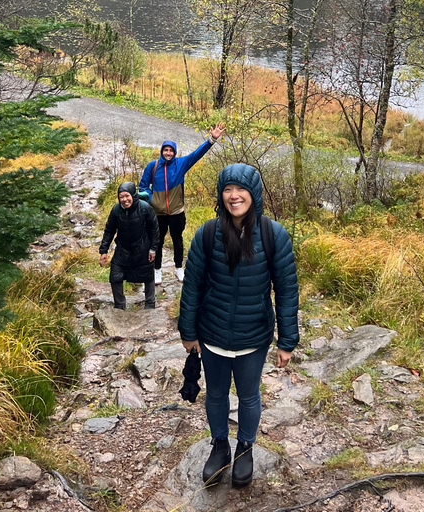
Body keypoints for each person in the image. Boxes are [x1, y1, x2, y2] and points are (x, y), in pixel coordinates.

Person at [178, 163, 299, 488]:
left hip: (253, 337)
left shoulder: (274, 235)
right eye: (227, 190)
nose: (234, 196)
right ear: (221, 195)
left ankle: (245, 446)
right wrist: (187, 332)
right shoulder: (206, 234)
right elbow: (192, 285)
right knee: (215, 394)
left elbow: (286, 290)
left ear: (253, 194)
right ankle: (220, 446)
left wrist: (287, 340)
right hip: (213, 334)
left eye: (240, 189)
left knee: (248, 396)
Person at [139, 122, 225, 285]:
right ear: (162, 151)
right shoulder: (153, 166)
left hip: (177, 212)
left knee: (177, 241)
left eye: (171, 150)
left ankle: (179, 268)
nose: (168, 153)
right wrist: (152, 200)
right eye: (166, 150)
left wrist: (211, 140)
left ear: (175, 152)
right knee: (157, 242)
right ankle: (157, 271)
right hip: (158, 214)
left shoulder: (181, 164)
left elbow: (197, 154)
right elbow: (142, 186)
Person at [99, 182, 160, 310]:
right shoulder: (116, 210)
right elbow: (109, 230)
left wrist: (153, 249)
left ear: (133, 195)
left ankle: (150, 304)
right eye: (121, 197)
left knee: (148, 275)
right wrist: (103, 251)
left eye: (127, 196)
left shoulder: (145, 208)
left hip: (142, 248)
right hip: (123, 249)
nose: (125, 200)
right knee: (115, 276)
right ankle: (119, 305)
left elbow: (154, 230)